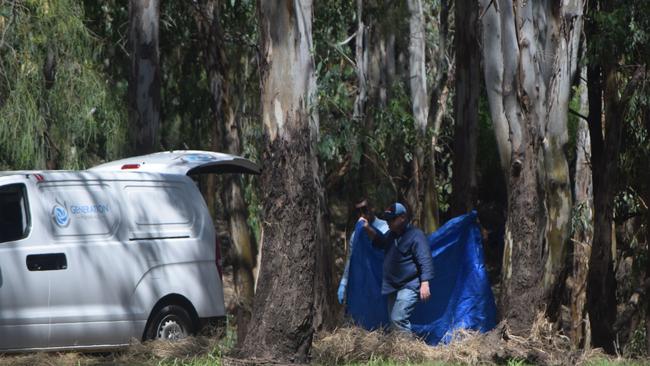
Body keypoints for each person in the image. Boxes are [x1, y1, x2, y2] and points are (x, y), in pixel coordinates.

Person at [360, 202, 434, 334]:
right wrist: (367, 227)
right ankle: (399, 352)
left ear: (403, 217)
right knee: (393, 322)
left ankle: (408, 352)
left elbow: (425, 259)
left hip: (409, 285)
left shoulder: (416, 235)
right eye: (387, 219)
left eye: (392, 219)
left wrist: (425, 282)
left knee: (398, 319)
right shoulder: (392, 234)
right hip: (393, 286)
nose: (388, 222)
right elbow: (380, 242)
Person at [338, 199, 389, 304]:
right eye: (358, 211)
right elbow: (351, 260)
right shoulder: (355, 236)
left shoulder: (386, 227)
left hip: (385, 282)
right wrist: (344, 283)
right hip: (367, 286)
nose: (362, 214)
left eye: (364, 210)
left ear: (372, 208)